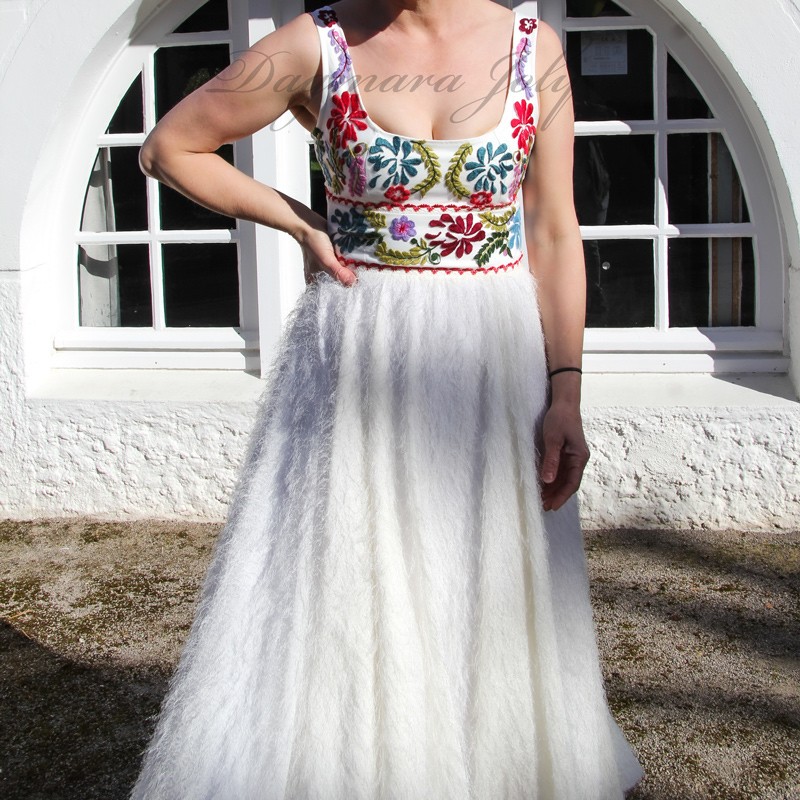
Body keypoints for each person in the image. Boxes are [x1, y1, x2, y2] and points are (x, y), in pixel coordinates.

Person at [130, 1, 645, 797]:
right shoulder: (316, 44)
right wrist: (301, 223)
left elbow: (552, 228)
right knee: (351, 586)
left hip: (494, 362)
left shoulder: (531, 47)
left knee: (486, 583)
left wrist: (566, 389)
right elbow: (171, 148)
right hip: (357, 360)